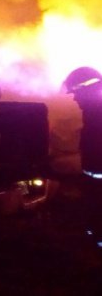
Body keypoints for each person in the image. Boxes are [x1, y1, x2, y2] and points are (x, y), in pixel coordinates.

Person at [64, 66, 102, 251]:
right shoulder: (93, 110)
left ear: (86, 88)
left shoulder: (98, 111)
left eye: (76, 92)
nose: (75, 98)